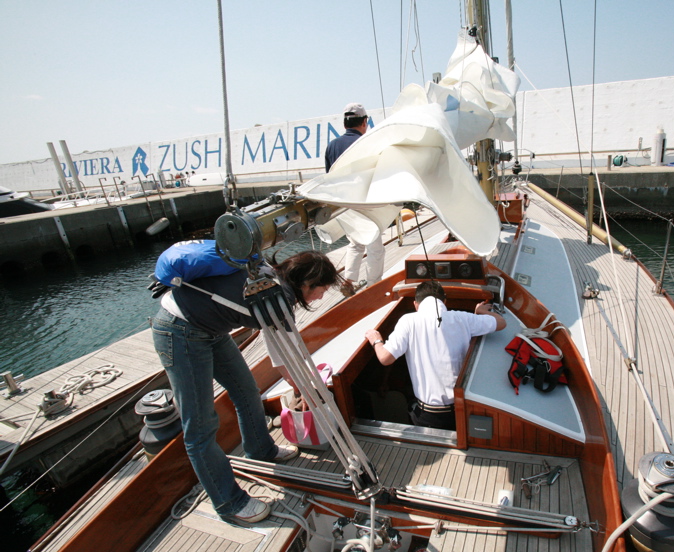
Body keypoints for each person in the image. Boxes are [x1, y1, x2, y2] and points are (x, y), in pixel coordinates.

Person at [150, 250, 341, 525]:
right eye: (322, 290)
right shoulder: (277, 298)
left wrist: (303, 385)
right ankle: (229, 502)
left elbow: (283, 351)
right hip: (180, 332)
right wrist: (307, 391)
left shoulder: (272, 279)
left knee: (247, 391)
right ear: (307, 283)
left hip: (210, 328)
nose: (321, 297)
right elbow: (283, 358)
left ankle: (261, 449)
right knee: (200, 427)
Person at [364, 281, 506, 430]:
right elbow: (501, 322)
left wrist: (376, 340)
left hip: (429, 415)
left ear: (416, 305)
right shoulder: (463, 318)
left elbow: (385, 358)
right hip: (464, 409)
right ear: (444, 302)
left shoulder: (407, 321)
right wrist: (480, 311)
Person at [324, 102, 385, 296]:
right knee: (375, 248)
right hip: (364, 202)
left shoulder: (332, 146)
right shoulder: (367, 143)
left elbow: (329, 177)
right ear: (364, 122)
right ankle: (373, 287)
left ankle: (349, 280)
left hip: (343, 205)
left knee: (356, 244)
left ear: (345, 124)